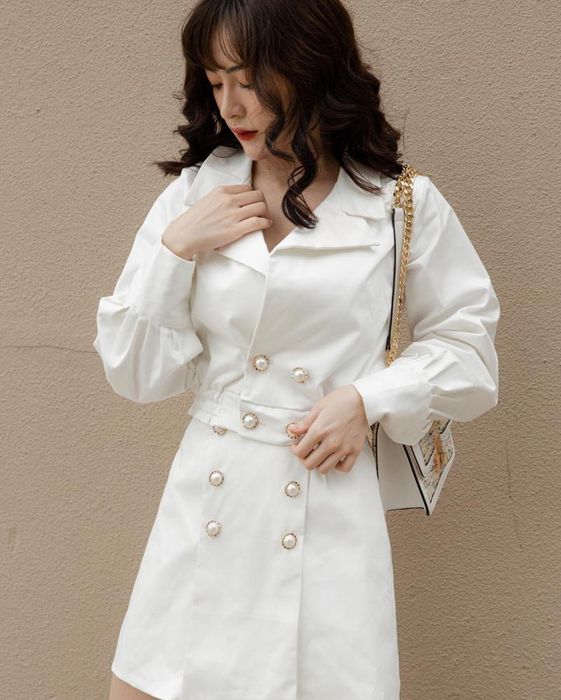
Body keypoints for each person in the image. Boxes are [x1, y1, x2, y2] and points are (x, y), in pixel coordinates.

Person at [93, 1, 500, 699]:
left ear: (308, 67)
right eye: (215, 82)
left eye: (247, 79)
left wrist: (367, 399)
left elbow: (469, 351)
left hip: (327, 510)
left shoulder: (397, 205)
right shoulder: (195, 194)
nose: (231, 106)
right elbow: (134, 372)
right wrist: (176, 249)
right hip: (205, 502)